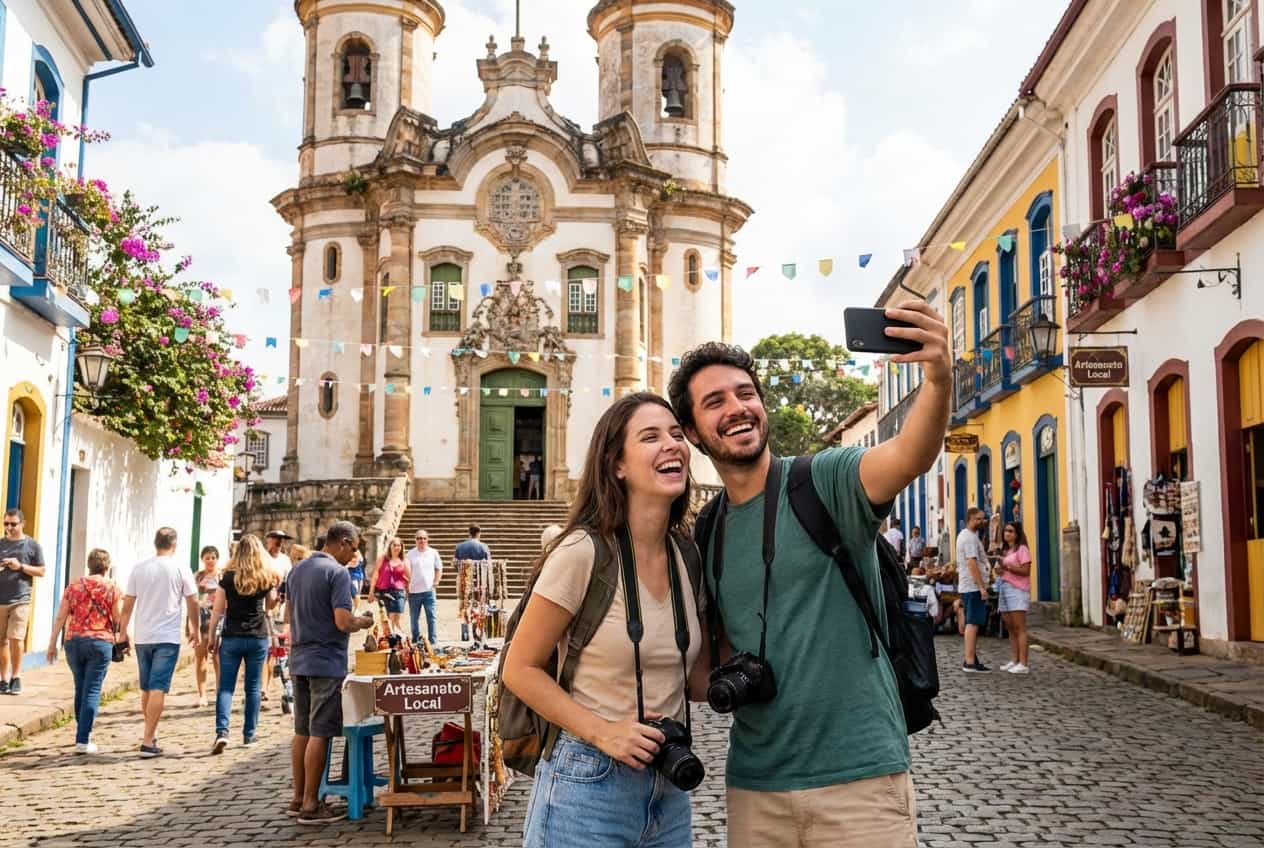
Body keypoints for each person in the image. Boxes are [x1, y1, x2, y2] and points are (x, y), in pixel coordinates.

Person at [667, 302, 949, 848]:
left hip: (860, 778)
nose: (736, 408)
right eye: (715, 401)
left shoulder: (825, 479)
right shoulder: (709, 528)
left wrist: (938, 378)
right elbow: (706, 669)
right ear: (692, 432)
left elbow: (911, 454)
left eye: (746, 394)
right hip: (756, 788)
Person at [503, 393, 706, 848]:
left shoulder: (687, 556)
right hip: (588, 783)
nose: (671, 444)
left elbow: (696, 680)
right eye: (650, 437)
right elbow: (518, 668)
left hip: (669, 785)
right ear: (617, 464)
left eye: (676, 434)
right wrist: (605, 732)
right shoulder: (581, 553)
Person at [287, 521, 375, 824]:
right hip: (325, 660)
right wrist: (362, 622)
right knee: (319, 732)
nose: (354, 555)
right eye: (354, 548)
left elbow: (288, 614)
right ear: (343, 542)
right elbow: (342, 621)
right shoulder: (336, 573)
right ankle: (312, 803)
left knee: (301, 731)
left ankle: (297, 798)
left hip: (298, 657)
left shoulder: (297, 569)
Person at [117, 527, 199, 758]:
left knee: (146, 688)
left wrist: (123, 632)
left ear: (155, 543)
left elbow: (128, 604)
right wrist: (194, 628)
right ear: (174, 544)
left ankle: (149, 735)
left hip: (143, 635)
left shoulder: (139, 568)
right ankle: (147, 740)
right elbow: (193, 602)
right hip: (167, 637)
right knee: (157, 688)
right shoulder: (181, 568)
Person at [208, 535, 279, 753]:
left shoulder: (228, 578)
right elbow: (271, 603)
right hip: (257, 636)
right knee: (253, 688)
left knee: (226, 687)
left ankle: (222, 732)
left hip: (232, 636)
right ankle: (249, 735)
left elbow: (218, 610)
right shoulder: (264, 577)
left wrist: (211, 636)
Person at [45, 549, 121, 753]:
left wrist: (52, 643)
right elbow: (118, 619)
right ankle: (83, 739)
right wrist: (123, 639)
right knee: (93, 689)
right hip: (99, 642)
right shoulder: (112, 588)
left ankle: (82, 732)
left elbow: (61, 616)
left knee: (81, 687)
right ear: (107, 567)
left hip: (74, 641)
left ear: (89, 564)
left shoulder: (74, 586)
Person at [0, 508, 46, 695]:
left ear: (22, 524)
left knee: (16, 638)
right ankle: (3, 679)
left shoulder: (32, 546)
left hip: (20, 599)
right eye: (6, 524)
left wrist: (20, 567)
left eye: (13, 524)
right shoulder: (0, 544)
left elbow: (41, 571)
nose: (9, 527)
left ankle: (16, 676)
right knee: (1, 641)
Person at [956, 507, 991, 673]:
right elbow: (972, 563)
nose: (981, 522)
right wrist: (981, 587)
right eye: (978, 519)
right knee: (973, 623)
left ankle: (971, 658)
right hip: (972, 586)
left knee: (973, 622)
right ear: (970, 518)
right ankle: (969, 661)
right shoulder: (969, 538)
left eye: (982, 519)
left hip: (969, 586)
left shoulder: (968, 536)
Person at [997, 522, 1033, 674]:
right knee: (1010, 627)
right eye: (1006, 531)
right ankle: (1015, 659)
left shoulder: (1022, 549)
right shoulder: (1006, 551)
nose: (1007, 534)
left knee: (1019, 627)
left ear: (1017, 534)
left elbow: (1026, 571)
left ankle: (1023, 663)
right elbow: (1005, 571)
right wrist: (999, 569)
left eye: (1011, 531)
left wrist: (1008, 568)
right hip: (1004, 587)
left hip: (1018, 590)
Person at [193, 546, 221, 707]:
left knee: (218, 657)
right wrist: (190, 625)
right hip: (201, 617)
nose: (210, 560)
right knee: (201, 656)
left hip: (218, 618)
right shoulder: (197, 576)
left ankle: (219, 691)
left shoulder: (222, 575)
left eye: (213, 557)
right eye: (207, 557)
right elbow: (192, 599)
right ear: (202, 559)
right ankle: (202, 694)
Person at [406, 530, 442, 648]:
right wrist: (407, 585)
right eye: (419, 538)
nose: (422, 541)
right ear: (415, 540)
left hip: (428, 591)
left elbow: (438, 568)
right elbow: (405, 571)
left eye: (424, 538)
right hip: (414, 591)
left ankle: (433, 640)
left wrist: (436, 581)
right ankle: (415, 639)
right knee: (414, 618)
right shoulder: (410, 554)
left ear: (427, 539)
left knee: (431, 616)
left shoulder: (433, 553)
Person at [367, 538, 410, 633]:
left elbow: (409, 577)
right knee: (387, 619)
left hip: (399, 592)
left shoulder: (404, 560)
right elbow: (375, 574)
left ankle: (396, 639)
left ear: (402, 547)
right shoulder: (383, 558)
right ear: (390, 546)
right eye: (394, 545)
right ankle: (391, 639)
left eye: (398, 545)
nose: (396, 547)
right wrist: (371, 592)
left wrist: (408, 589)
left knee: (396, 618)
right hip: (384, 592)